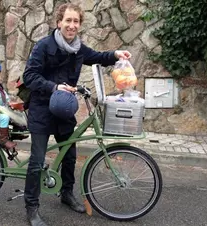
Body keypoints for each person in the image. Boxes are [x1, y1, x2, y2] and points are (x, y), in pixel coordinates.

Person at [22, 3, 132, 226]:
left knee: (70, 155)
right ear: (59, 22)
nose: (71, 26)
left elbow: (97, 56)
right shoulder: (43, 46)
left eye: (76, 22)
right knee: (36, 161)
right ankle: (32, 207)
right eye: (68, 21)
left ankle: (66, 194)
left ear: (80, 25)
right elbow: (29, 76)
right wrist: (54, 87)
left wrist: (116, 54)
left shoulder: (78, 48)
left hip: (63, 109)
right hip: (42, 109)